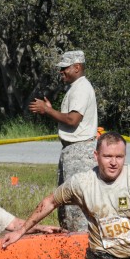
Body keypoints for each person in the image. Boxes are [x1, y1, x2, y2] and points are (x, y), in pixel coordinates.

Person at [1, 132, 130, 259]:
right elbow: (50, 202)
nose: (114, 162)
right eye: (108, 156)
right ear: (96, 156)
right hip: (101, 257)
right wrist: (21, 231)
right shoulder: (82, 183)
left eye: (119, 157)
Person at [29, 50, 98, 232]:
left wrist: (47, 110)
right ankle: (69, 236)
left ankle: (79, 240)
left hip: (80, 151)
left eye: (64, 68)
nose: (61, 72)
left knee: (76, 200)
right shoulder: (76, 88)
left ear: (77, 67)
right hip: (72, 149)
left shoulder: (82, 88)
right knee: (65, 198)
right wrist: (51, 110)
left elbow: (72, 120)